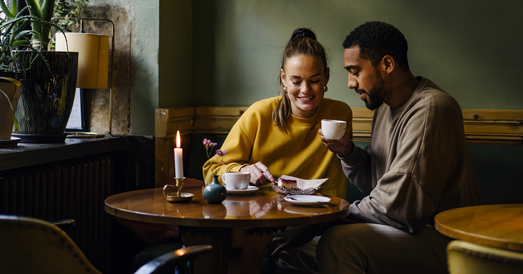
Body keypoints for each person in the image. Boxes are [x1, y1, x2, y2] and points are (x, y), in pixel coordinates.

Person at [271, 21, 482, 274]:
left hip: (445, 240)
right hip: (399, 232)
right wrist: (347, 152)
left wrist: (320, 222)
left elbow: (399, 208)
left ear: (388, 65)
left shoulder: (431, 109)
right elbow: (377, 180)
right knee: (291, 250)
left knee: (338, 243)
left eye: (355, 71)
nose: (350, 82)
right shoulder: (383, 107)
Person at [202, 28, 352, 198]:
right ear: (283, 78)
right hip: (263, 217)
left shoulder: (340, 114)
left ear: (327, 76)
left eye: (315, 80)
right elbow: (211, 170)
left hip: (321, 216)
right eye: (296, 81)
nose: (305, 90)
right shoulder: (258, 114)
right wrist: (243, 170)